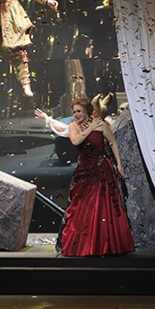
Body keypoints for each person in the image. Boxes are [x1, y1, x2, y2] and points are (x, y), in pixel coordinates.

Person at [58, 95, 135, 256]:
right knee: (83, 207)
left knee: (102, 207)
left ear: (87, 111)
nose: (76, 115)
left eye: (79, 111)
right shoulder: (74, 126)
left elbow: (113, 142)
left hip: (101, 170)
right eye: (74, 112)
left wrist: (119, 164)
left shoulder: (100, 124)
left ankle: (104, 245)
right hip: (84, 172)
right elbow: (76, 141)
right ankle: (85, 245)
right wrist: (91, 128)